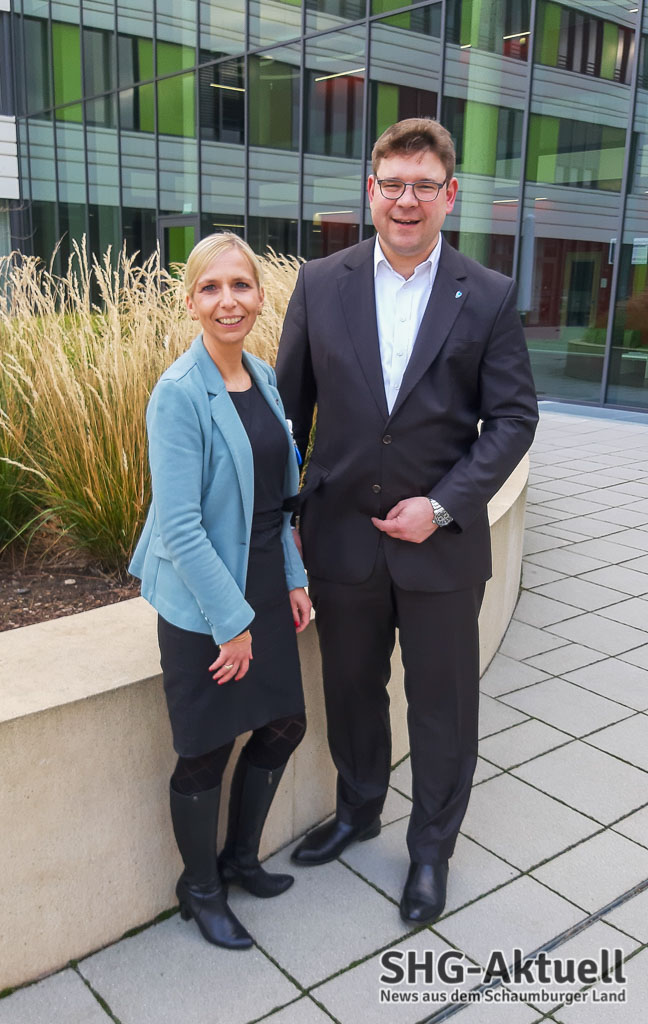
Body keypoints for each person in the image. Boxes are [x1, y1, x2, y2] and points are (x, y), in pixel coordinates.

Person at [275, 118, 538, 925]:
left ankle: (431, 851)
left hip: (440, 547)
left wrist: (444, 504)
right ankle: (359, 810)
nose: (406, 200)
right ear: (371, 191)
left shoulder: (487, 295)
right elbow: (288, 414)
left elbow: (513, 420)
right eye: (393, 184)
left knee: (442, 706)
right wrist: (283, 523)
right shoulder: (322, 283)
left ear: (449, 194)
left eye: (424, 185)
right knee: (353, 691)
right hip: (341, 540)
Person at [129, 233, 312, 950]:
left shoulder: (263, 376)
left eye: (241, 285)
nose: (228, 301)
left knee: (284, 724)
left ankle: (239, 859)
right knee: (206, 749)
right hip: (205, 597)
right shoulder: (178, 394)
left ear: (261, 296)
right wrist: (231, 624)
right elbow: (178, 525)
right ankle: (200, 887)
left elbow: (279, 496)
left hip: (264, 575)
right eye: (211, 287)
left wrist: (293, 578)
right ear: (190, 302)